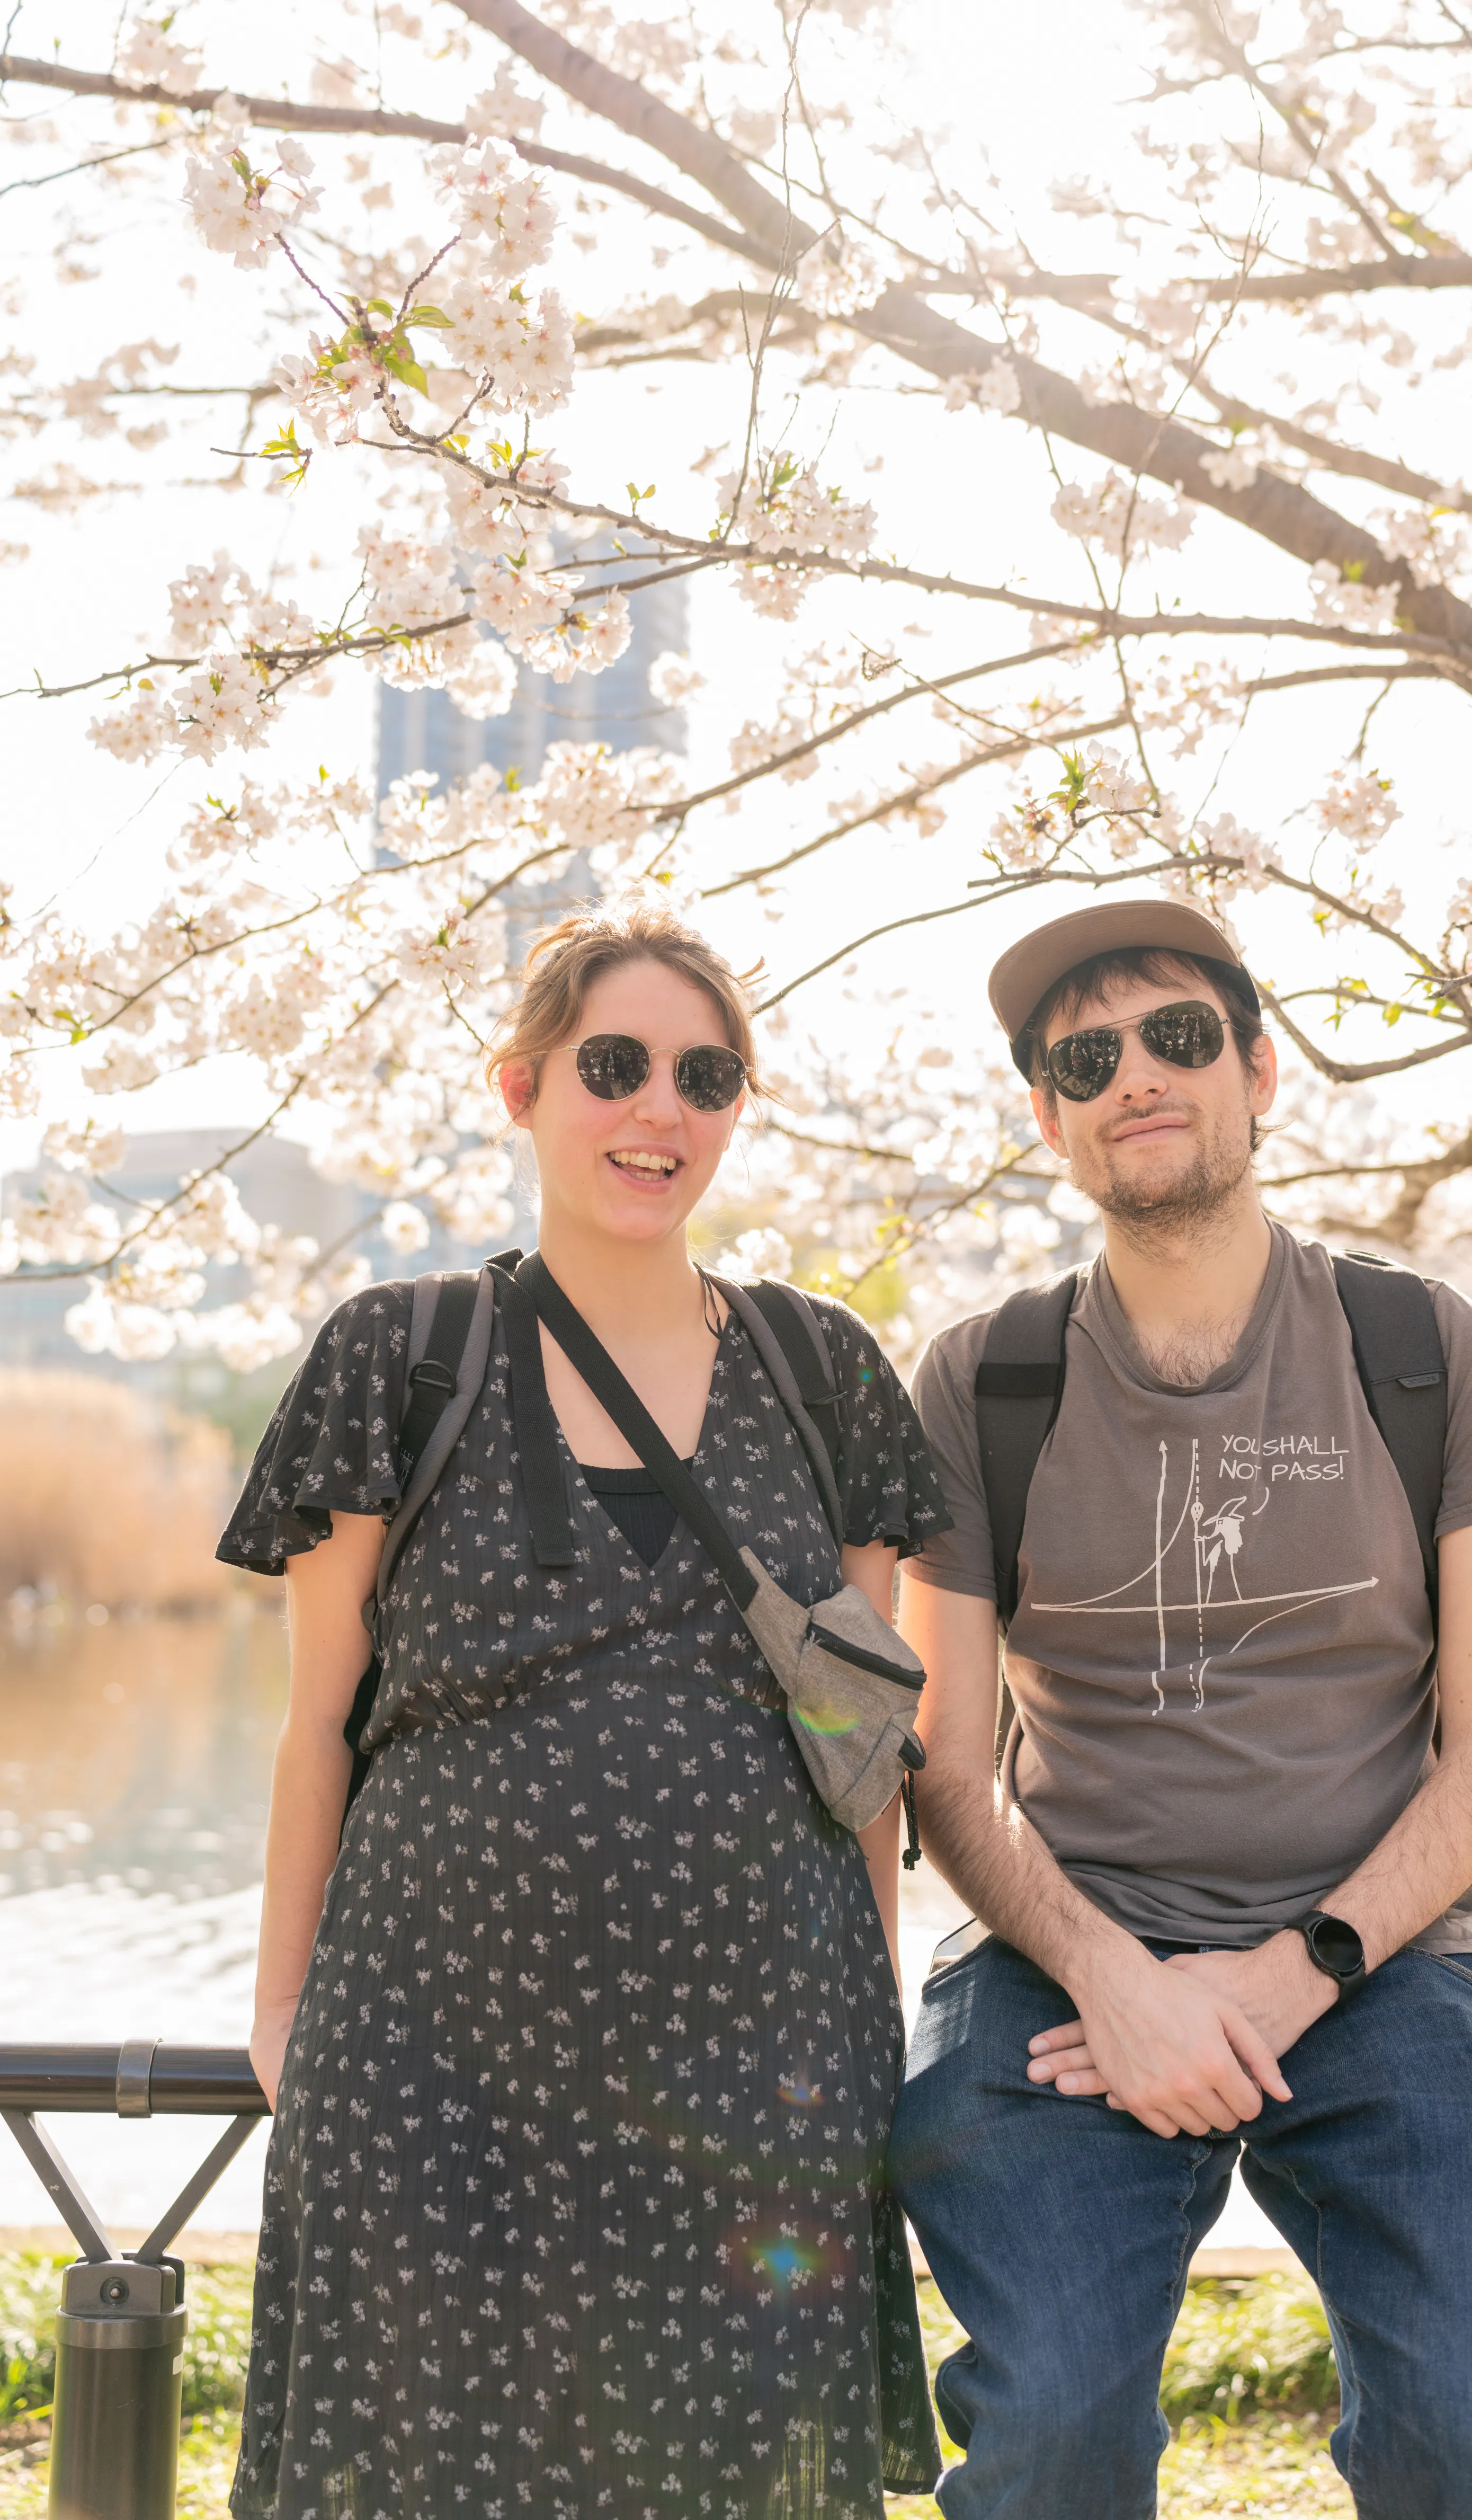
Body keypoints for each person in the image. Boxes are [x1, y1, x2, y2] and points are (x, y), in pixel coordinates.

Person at [219, 900, 948, 2519]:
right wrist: (286, 2016)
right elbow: (315, 1725)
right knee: (431, 2475)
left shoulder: (824, 1371)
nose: (660, 1110)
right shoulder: (398, 1357)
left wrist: (867, 2025)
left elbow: (863, 1751)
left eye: (708, 1076)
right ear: (521, 1087)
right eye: (613, 1064)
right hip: (433, 2059)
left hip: (760, 2072)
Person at [889, 896, 1472, 2520]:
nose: (1136, 1075)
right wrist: (1113, 1980)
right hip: (1066, 1968)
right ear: (1049, 1120)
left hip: (1380, 1965)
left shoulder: (1422, 1348)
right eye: (1086, 1056)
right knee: (1046, 2437)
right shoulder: (984, 1381)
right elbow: (944, 1767)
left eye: (1178, 1036)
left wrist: (1303, 1969)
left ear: (1258, 1071)